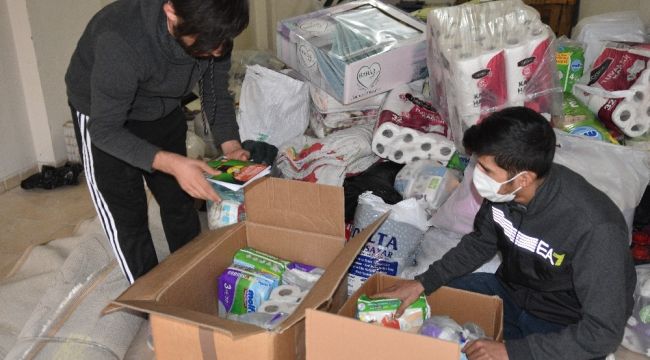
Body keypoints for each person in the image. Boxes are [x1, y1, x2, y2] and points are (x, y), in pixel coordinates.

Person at [374, 107, 636, 360]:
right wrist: (422, 282)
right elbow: (480, 243)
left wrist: (512, 352)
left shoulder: (596, 228)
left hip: (564, 322)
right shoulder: (503, 191)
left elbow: (602, 333)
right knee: (427, 307)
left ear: (523, 178)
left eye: (487, 170)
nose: (478, 176)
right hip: (511, 293)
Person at [65, 0, 250, 284]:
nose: (217, 51)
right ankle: (151, 301)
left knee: (179, 199)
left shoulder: (215, 30)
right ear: (171, 13)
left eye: (223, 42)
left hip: (160, 106)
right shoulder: (121, 39)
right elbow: (104, 130)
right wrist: (170, 162)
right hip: (103, 115)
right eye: (208, 43)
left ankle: (191, 279)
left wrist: (231, 146)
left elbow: (214, 94)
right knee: (128, 213)